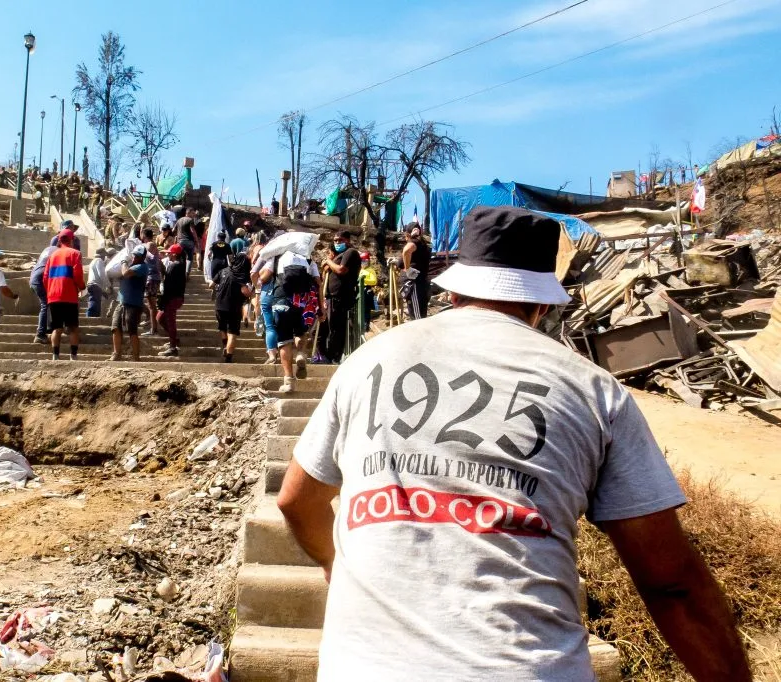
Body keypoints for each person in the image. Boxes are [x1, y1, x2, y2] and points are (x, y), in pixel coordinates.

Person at [277, 206, 750, 681]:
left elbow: (297, 499)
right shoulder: (593, 389)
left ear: (456, 288)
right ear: (542, 303)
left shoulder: (367, 361)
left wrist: (335, 562)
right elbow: (672, 585)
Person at [259, 248, 317, 393]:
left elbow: (264, 277)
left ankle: (289, 381)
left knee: (284, 342)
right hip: (301, 303)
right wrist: (320, 307)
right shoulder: (308, 258)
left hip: (280, 301)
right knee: (299, 332)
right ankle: (300, 354)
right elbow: (318, 282)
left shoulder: (277, 256)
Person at [315, 230, 360, 364]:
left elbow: (341, 270)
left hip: (340, 297)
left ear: (347, 240)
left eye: (340, 240)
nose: (337, 243)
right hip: (329, 297)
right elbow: (325, 277)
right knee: (324, 328)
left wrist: (328, 261)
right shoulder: (336, 256)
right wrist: (326, 266)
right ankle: (321, 355)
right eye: (335, 240)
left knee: (335, 328)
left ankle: (333, 356)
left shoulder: (350, 253)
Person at [43, 229, 86, 360]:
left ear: (59, 240)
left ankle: (55, 355)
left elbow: (45, 278)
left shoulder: (52, 256)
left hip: (53, 296)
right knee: (73, 328)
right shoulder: (75, 253)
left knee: (56, 328)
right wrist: (82, 286)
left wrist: (50, 291)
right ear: (72, 240)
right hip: (69, 296)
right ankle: (73, 356)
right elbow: (77, 274)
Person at [111, 245, 150, 362]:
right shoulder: (133, 265)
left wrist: (123, 262)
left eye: (137, 256)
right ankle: (116, 354)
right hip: (122, 302)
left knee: (132, 330)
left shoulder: (142, 267)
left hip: (133, 304)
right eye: (133, 255)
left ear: (142, 257)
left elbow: (125, 273)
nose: (134, 258)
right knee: (115, 327)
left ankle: (136, 357)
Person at [212, 252, 252, 363]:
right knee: (233, 332)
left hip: (220, 305)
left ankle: (225, 344)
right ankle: (228, 356)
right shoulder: (243, 275)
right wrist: (251, 293)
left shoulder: (224, 271)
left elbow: (211, 284)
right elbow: (245, 292)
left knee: (222, 327)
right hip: (234, 307)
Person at [157, 243, 187, 357]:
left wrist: (164, 299)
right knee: (160, 318)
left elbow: (168, 283)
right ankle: (173, 339)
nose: (168, 255)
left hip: (172, 297)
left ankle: (173, 347)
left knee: (170, 321)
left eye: (169, 253)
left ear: (174, 254)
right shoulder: (179, 265)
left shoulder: (174, 265)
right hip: (175, 297)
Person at [29, 242, 58, 343]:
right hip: (41, 279)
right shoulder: (57, 252)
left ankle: (49, 327)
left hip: (34, 278)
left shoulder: (47, 250)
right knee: (45, 304)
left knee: (49, 303)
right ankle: (40, 334)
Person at [402, 226, 433, 319]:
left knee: (417, 319)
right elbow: (404, 258)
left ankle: (420, 333)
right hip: (421, 284)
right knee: (420, 316)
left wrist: (407, 269)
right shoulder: (423, 244)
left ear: (408, 234)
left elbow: (406, 250)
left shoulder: (415, 243)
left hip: (415, 285)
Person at [141, 228, 163, 336]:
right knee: (150, 304)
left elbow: (153, 259)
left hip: (151, 277)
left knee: (151, 305)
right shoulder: (149, 245)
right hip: (151, 277)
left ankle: (153, 329)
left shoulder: (150, 245)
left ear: (143, 235)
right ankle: (153, 328)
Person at [86, 247, 113, 318]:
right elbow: (101, 275)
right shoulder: (99, 261)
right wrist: (109, 285)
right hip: (95, 285)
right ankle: (91, 318)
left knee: (95, 302)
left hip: (92, 284)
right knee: (94, 302)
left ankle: (92, 316)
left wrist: (103, 291)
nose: (105, 257)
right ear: (102, 255)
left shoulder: (93, 261)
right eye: (105, 255)